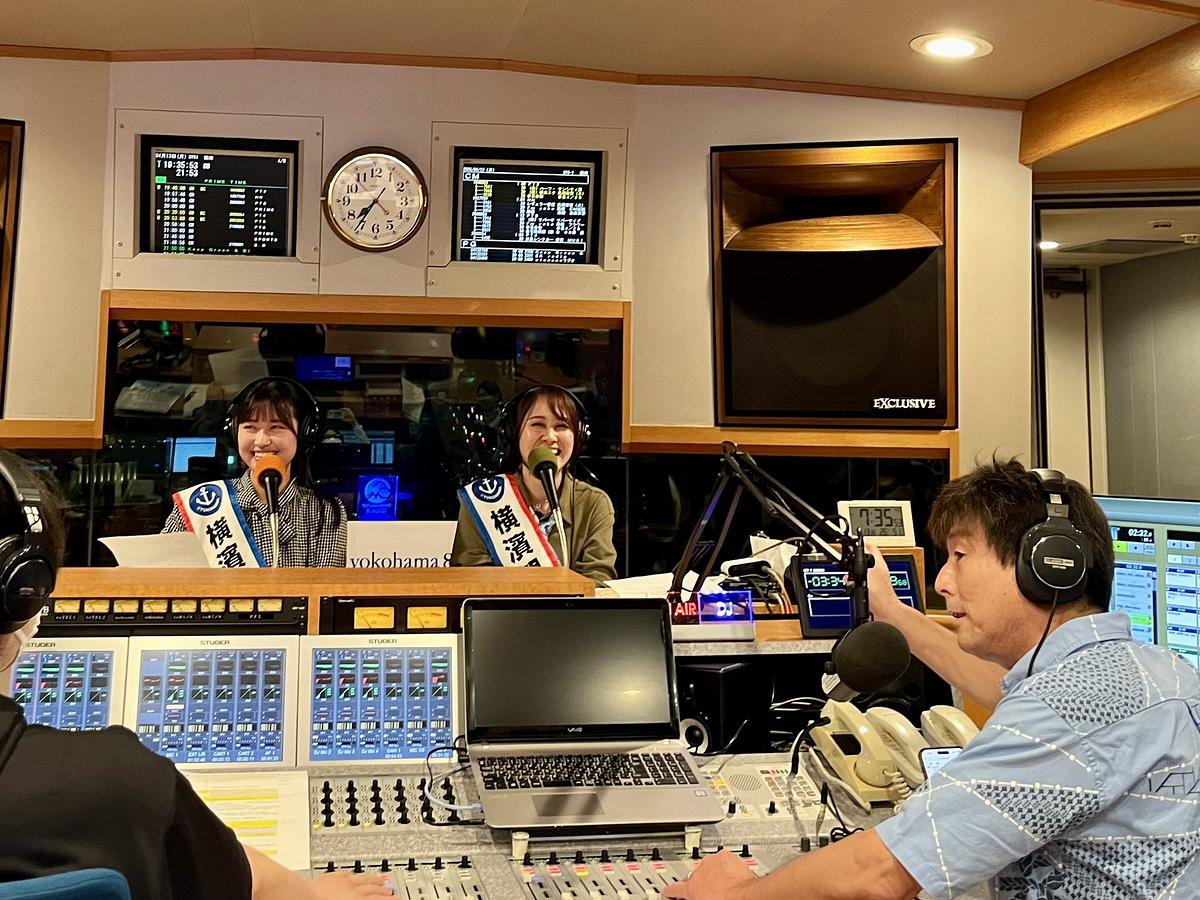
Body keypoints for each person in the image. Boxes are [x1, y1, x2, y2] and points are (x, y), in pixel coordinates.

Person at [667, 459, 1200, 900]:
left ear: (1046, 566)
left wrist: (735, 892)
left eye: (960, 556)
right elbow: (1002, 689)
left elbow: (879, 876)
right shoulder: (1158, 673)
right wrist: (892, 612)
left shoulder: (1067, 709)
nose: (942, 581)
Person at [0, 449, 384, 899]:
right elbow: (248, 881)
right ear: (26, 591)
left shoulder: (324, 511)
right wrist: (317, 895)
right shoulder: (118, 780)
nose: (262, 439)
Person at [163, 377, 347, 568]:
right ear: (234, 432)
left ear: (303, 434)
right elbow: (163, 575)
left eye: (276, 427)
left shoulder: (325, 511)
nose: (261, 441)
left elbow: (325, 586)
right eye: (250, 427)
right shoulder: (200, 504)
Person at [451, 384, 617, 584]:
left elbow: (597, 581)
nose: (550, 437)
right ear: (513, 434)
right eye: (537, 424)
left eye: (562, 426)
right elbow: (471, 581)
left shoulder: (593, 503)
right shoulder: (485, 501)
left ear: (578, 436)